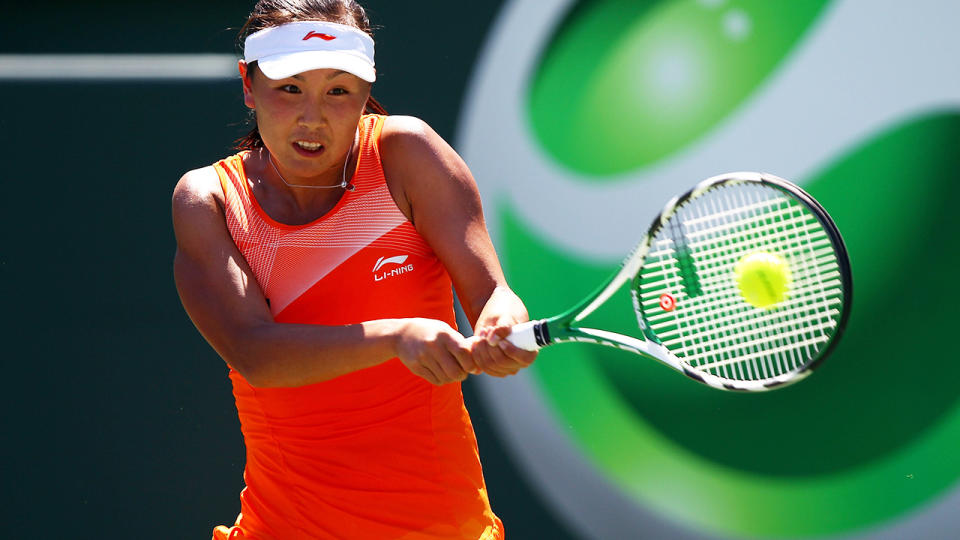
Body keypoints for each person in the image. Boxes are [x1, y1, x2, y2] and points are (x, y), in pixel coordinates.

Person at [172, 1, 536, 538]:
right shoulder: (209, 199)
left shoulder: (406, 154)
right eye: (289, 88)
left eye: (338, 91)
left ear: (366, 94)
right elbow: (256, 354)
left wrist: (502, 325)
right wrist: (399, 337)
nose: (313, 117)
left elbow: (493, 295)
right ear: (249, 86)